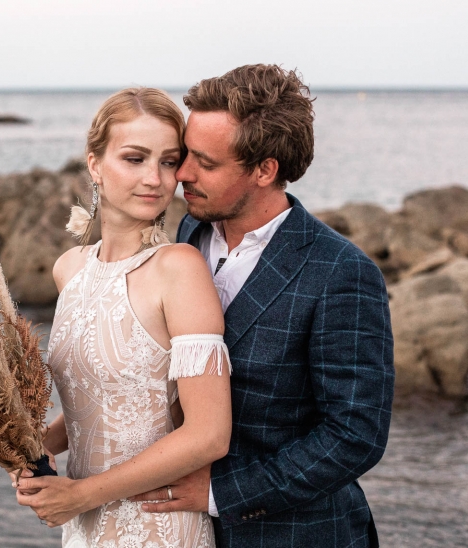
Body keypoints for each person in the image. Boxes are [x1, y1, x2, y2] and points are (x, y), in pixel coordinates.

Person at [130, 65, 395, 548]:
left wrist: (220, 494)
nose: (183, 174)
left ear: (264, 170)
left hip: (299, 535)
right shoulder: (189, 233)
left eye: (205, 164)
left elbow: (355, 434)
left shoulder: (341, 272)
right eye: (186, 154)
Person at [12, 88, 232, 548]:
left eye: (169, 161)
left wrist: (81, 495)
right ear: (95, 164)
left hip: (157, 527)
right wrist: (32, 446)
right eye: (135, 158)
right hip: (84, 528)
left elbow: (209, 435)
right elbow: (101, 404)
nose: (155, 178)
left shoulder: (179, 268)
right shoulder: (69, 268)